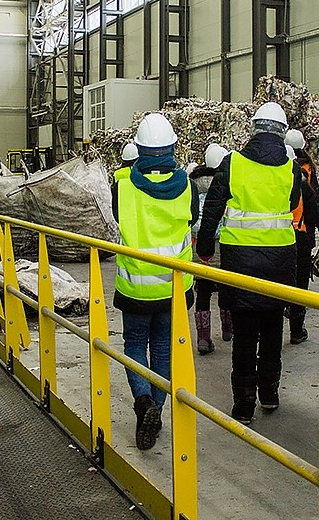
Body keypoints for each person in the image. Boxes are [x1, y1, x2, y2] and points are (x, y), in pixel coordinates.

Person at [196, 102, 300, 424]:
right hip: (280, 261)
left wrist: (204, 250)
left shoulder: (233, 163)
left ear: (253, 128)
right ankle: (269, 393)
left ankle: (243, 404)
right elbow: (294, 202)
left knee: (244, 335)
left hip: (240, 262)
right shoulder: (290, 168)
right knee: (272, 331)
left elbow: (212, 208)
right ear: (281, 133)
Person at [112, 113, 199, 451]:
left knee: (134, 345)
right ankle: (157, 410)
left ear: (140, 149)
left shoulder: (122, 186)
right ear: (173, 147)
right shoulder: (186, 185)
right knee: (164, 348)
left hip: (135, 286)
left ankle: (144, 403)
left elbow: (119, 220)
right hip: (174, 288)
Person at [190, 143, 233, 354]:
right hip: (223, 248)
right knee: (226, 290)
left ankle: (203, 338)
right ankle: (227, 327)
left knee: (204, 293)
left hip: (200, 249)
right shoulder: (227, 182)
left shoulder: (193, 184)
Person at [284, 129, 319, 344]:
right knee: (300, 284)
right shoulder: (306, 172)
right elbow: (313, 202)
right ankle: (297, 330)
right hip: (302, 236)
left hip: (280, 237)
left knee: (280, 281)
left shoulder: (277, 177)